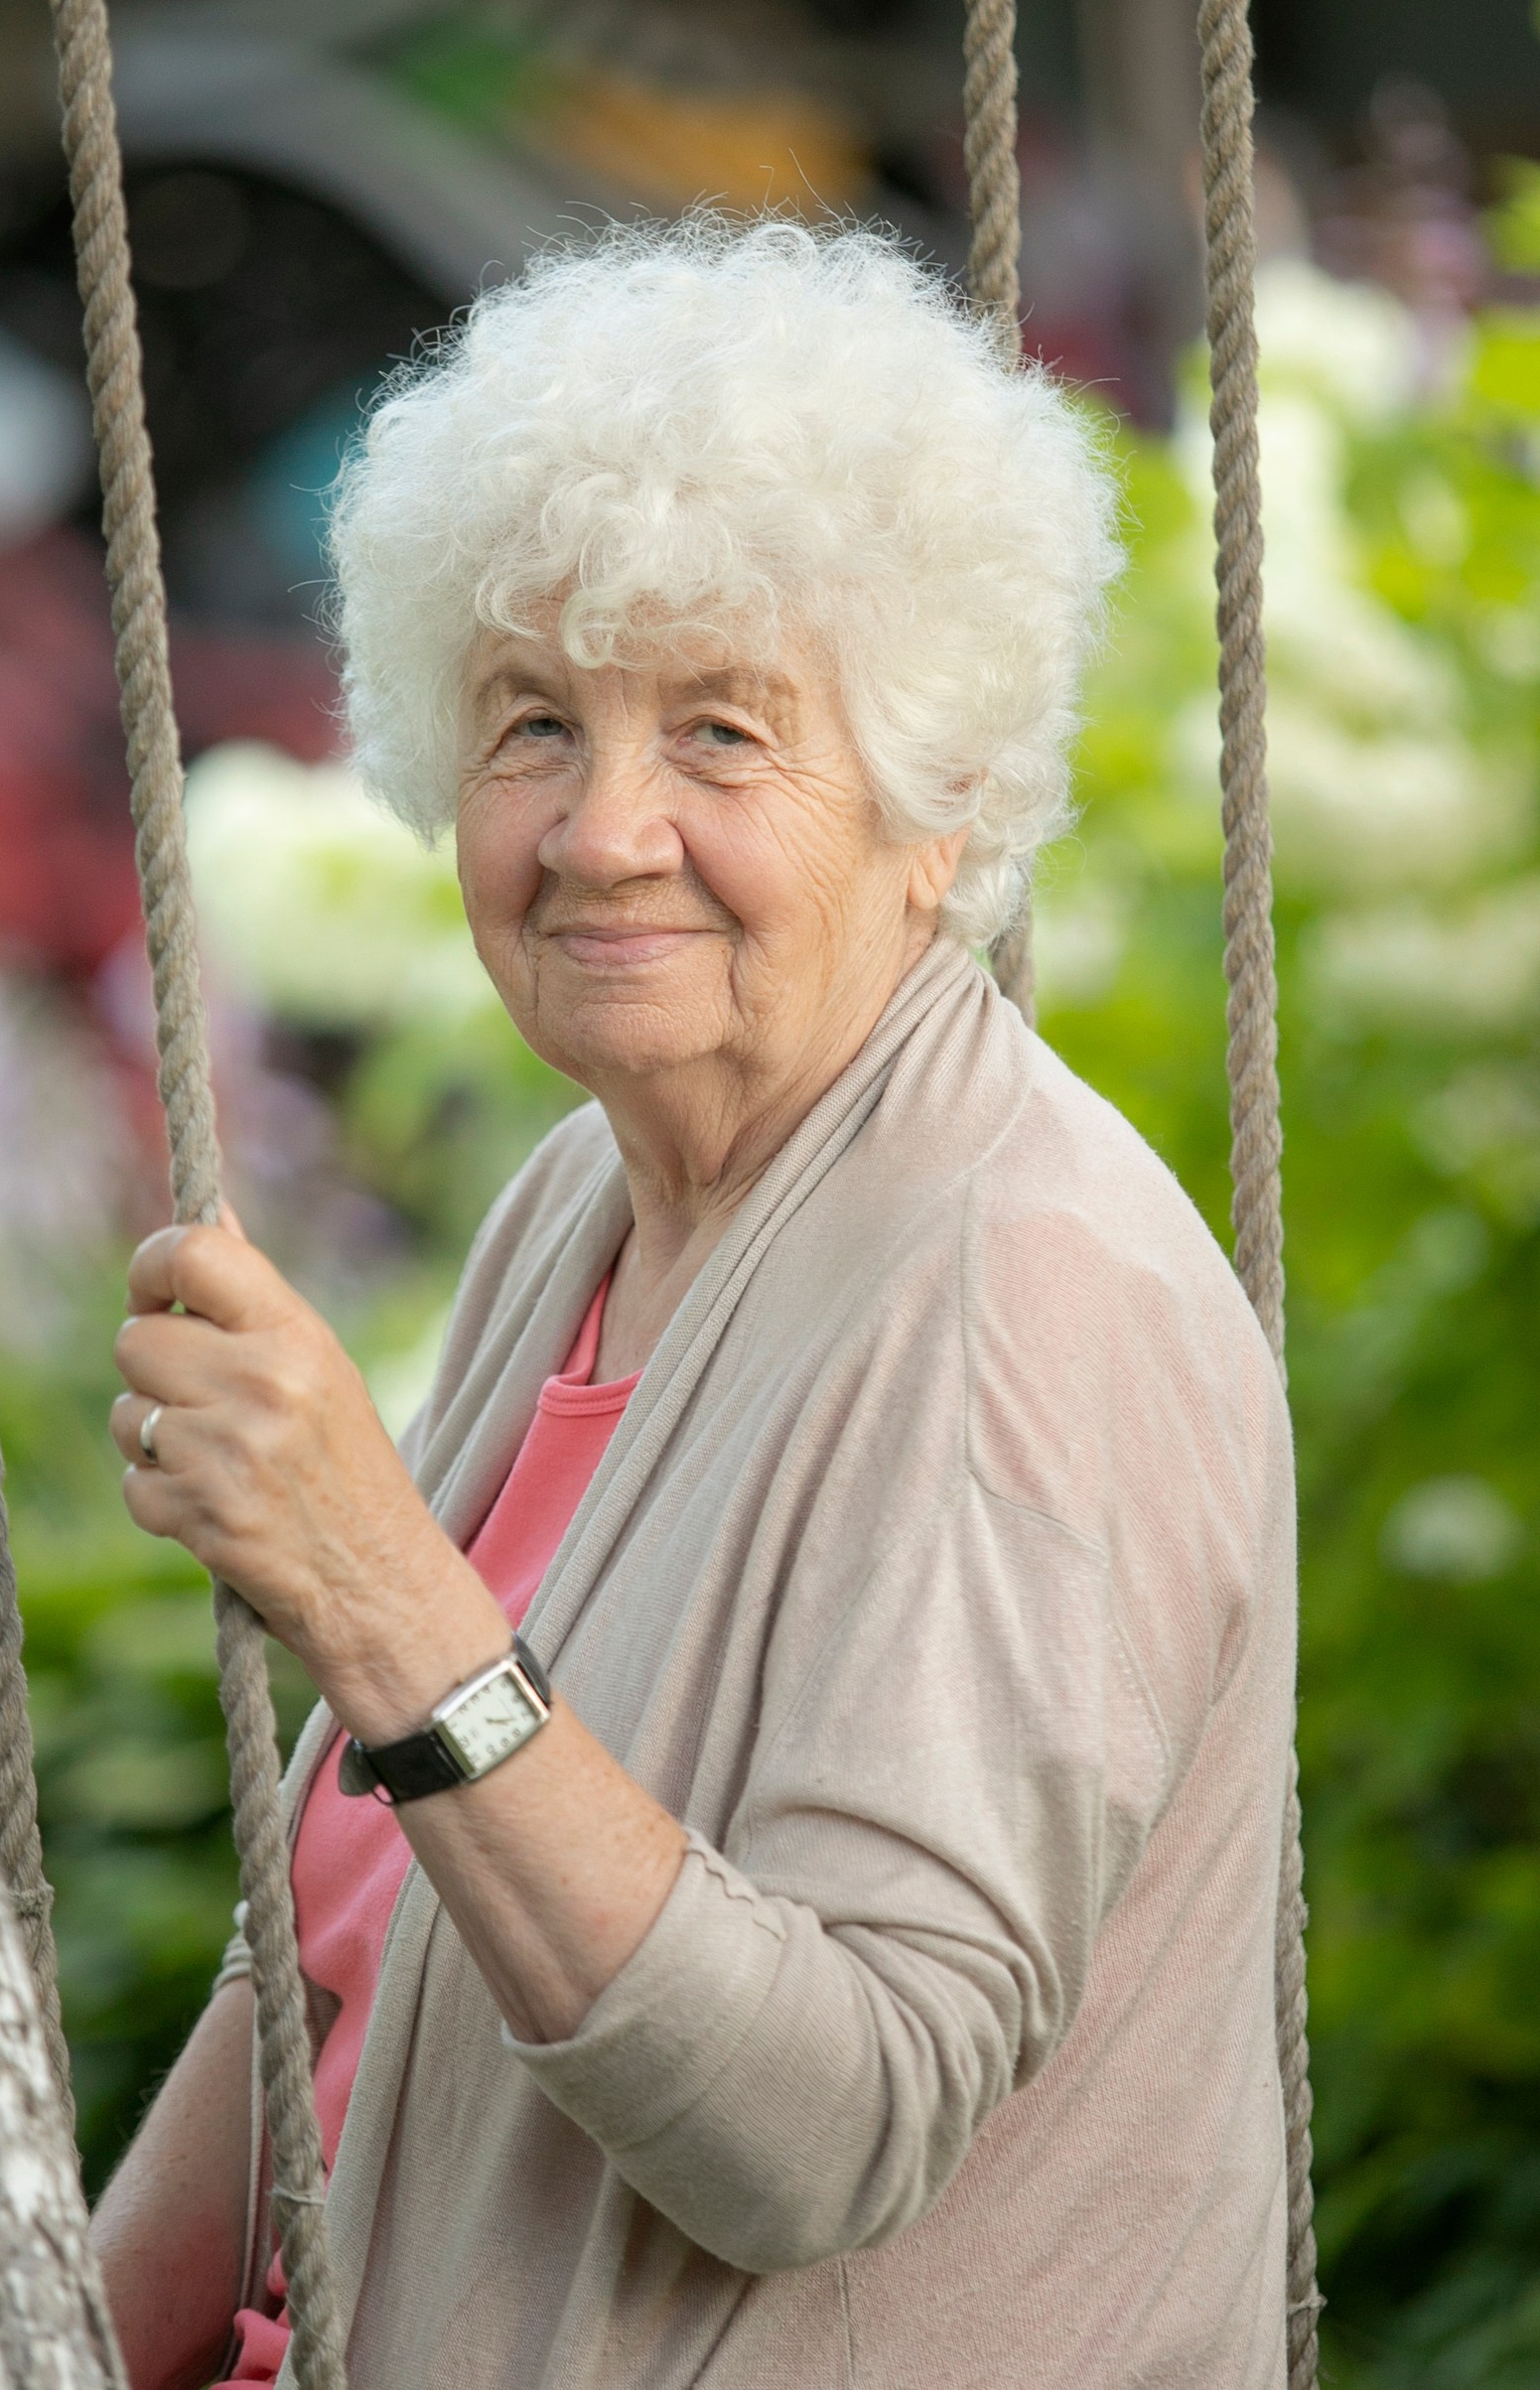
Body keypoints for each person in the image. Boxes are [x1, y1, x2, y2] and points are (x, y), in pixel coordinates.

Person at [94, 217, 1296, 2390]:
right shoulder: (584, 1202)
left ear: (936, 810)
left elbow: (828, 2127)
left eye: (723, 734)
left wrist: (380, 1595)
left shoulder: (1025, 1292)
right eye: (534, 724)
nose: (602, 832)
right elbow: (337, 1964)